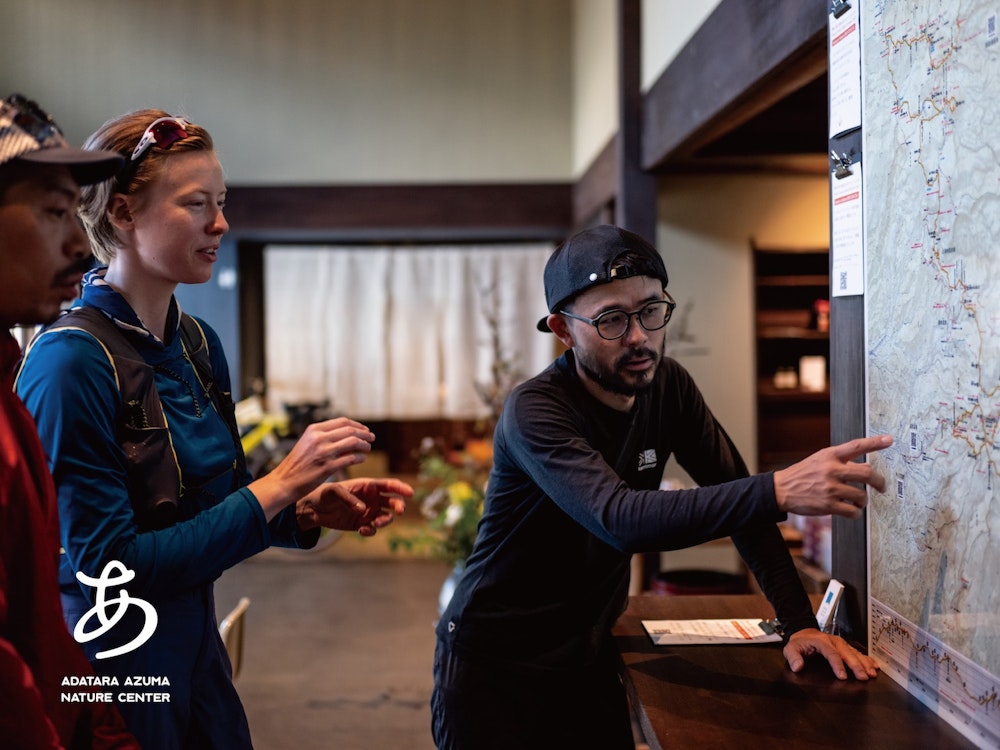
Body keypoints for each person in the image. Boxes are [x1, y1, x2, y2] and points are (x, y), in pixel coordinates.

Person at [15, 108, 412, 749]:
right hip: (112, 667)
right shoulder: (71, 362)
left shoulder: (197, 343)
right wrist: (278, 487)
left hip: (193, 642)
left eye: (221, 202)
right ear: (120, 213)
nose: (220, 223)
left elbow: (220, 503)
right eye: (195, 203)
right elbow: (108, 568)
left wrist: (304, 509)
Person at [431, 224, 893, 749]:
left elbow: (738, 500)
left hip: (590, 654)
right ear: (563, 329)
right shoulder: (536, 410)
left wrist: (798, 623)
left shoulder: (670, 387)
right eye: (611, 320)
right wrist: (778, 488)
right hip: (496, 665)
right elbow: (621, 519)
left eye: (651, 311)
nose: (638, 337)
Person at [0, 92, 140, 748]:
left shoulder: (6, 394)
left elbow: (40, 634)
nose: (81, 248)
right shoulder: (65, 361)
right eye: (54, 211)